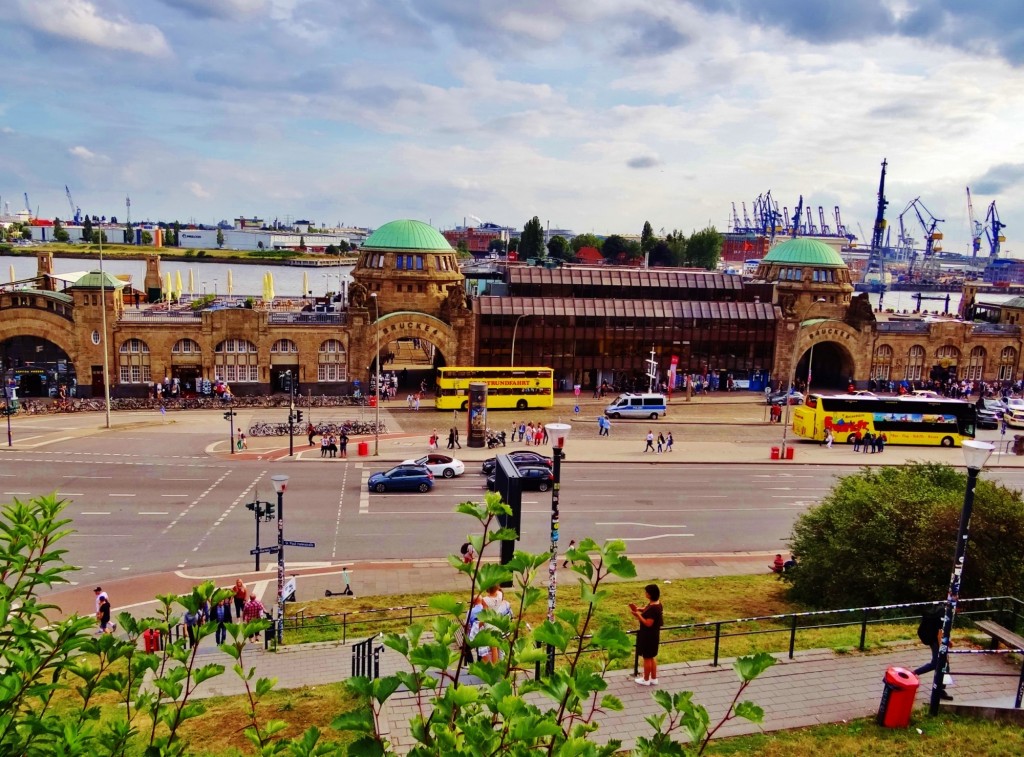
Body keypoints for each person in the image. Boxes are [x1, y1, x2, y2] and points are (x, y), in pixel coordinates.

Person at [913, 606, 953, 701]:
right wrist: (943, 650)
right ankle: (914, 673)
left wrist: (948, 641)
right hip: (935, 640)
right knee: (939, 664)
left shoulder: (944, 610)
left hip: (934, 638)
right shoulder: (945, 615)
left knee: (943, 665)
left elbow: (944, 630)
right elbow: (940, 633)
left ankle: (940, 690)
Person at [630, 584, 663, 685]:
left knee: (647, 658)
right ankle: (653, 678)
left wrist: (638, 615)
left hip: (648, 636)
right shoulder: (657, 604)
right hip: (654, 635)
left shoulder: (653, 609)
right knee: (652, 657)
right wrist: (639, 609)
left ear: (650, 594)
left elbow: (648, 623)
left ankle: (646, 679)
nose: (645, 593)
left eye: (646, 592)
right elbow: (647, 609)